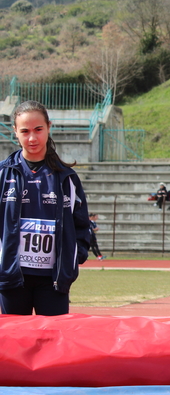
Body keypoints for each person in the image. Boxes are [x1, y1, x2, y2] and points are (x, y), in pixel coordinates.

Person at [0, 100, 92, 316]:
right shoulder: (3, 175)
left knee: (53, 344)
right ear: (15, 132)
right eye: (25, 131)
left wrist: (73, 256)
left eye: (38, 129)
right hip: (12, 278)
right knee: (13, 346)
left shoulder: (67, 178)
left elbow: (82, 225)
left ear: (49, 127)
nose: (32, 138)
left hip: (54, 280)